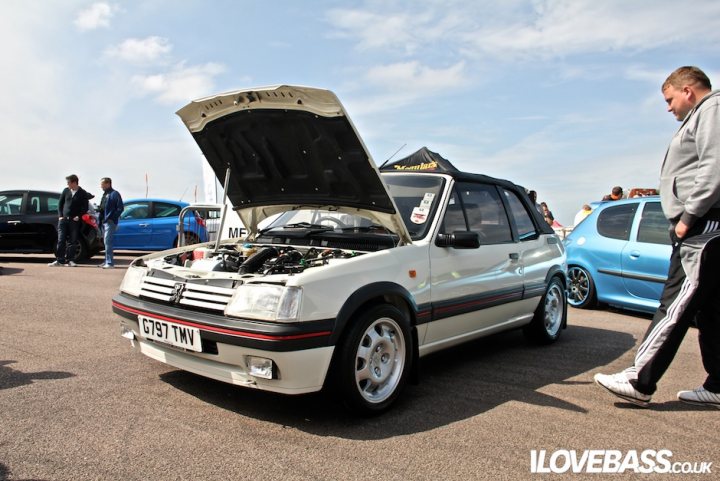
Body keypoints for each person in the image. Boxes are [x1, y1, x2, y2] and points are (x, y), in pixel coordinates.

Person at [594, 66, 720, 408]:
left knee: (675, 303)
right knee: (710, 310)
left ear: (688, 91)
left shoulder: (711, 110)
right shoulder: (703, 115)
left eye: (669, 99)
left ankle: (640, 379)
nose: (668, 108)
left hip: (701, 227)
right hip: (708, 226)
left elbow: (714, 166)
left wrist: (688, 217)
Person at [48, 174, 92, 267]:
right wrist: (60, 216)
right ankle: (60, 260)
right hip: (63, 220)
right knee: (61, 240)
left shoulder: (82, 193)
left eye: (69, 183)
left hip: (74, 221)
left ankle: (70, 260)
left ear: (74, 182)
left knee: (72, 241)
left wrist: (79, 216)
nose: (67, 185)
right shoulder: (66, 191)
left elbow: (85, 207)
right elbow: (60, 204)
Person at [98, 177, 123, 269]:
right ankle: (106, 261)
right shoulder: (105, 194)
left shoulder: (114, 194)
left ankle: (110, 263)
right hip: (103, 222)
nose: (101, 186)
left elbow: (120, 208)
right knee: (105, 242)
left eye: (102, 184)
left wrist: (112, 218)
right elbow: (103, 207)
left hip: (109, 222)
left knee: (108, 242)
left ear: (108, 184)